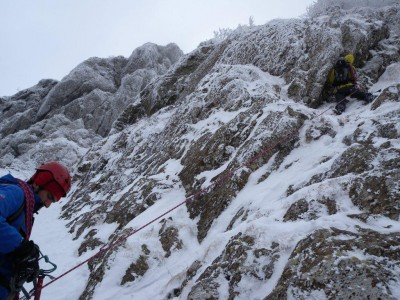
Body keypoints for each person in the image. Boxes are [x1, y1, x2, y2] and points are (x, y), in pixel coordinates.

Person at [0, 162, 71, 300]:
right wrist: (21, 247)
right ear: (39, 183)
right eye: (49, 196)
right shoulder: (16, 193)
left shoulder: (27, 207)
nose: (48, 205)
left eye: (53, 201)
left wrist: (24, 259)